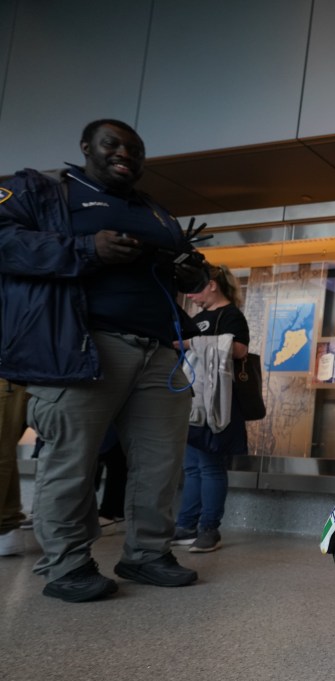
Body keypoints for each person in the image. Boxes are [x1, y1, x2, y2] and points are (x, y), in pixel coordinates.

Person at [0, 119, 209, 601]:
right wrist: (85, 249)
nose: (124, 154)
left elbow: (185, 273)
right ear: (85, 147)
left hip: (158, 350)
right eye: (112, 144)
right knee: (71, 460)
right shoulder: (45, 192)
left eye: (135, 149)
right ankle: (67, 564)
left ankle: (147, 554)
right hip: (82, 344)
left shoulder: (154, 210)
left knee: (162, 462)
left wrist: (190, 272)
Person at [172, 265, 250, 553]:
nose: (192, 296)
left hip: (217, 401)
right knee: (191, 467)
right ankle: (186, 525)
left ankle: (209, 527)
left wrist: (188, 343)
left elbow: (239, 349)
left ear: (213, 285)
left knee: (210, 466)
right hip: (192, 399)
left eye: (195, 289)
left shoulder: (231, 315)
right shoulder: (198, 318)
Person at [0, 380, 30, 557]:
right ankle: (7, 526)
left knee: (3, 452)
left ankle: (7, 526)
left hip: (8, 375)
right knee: (5, 452)